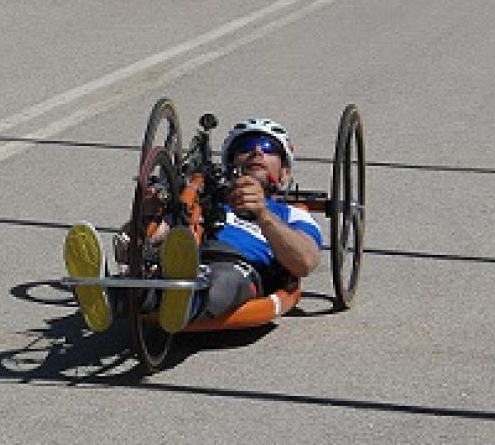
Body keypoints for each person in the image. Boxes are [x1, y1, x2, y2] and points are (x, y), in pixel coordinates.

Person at [64, 118, 323, 334]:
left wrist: (264, 215)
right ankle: (107, 294)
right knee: (157, 265)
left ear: (285, 171)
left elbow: (305, 262)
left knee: (223, 280)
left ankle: (180, 299)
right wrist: (147, 220)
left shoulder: (291, 214)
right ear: (231, 162)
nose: (257, 152)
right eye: (246, 146)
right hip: (185, 255)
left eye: (268, 147)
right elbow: (167, 229)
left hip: (237, 267)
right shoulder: (206, 197)